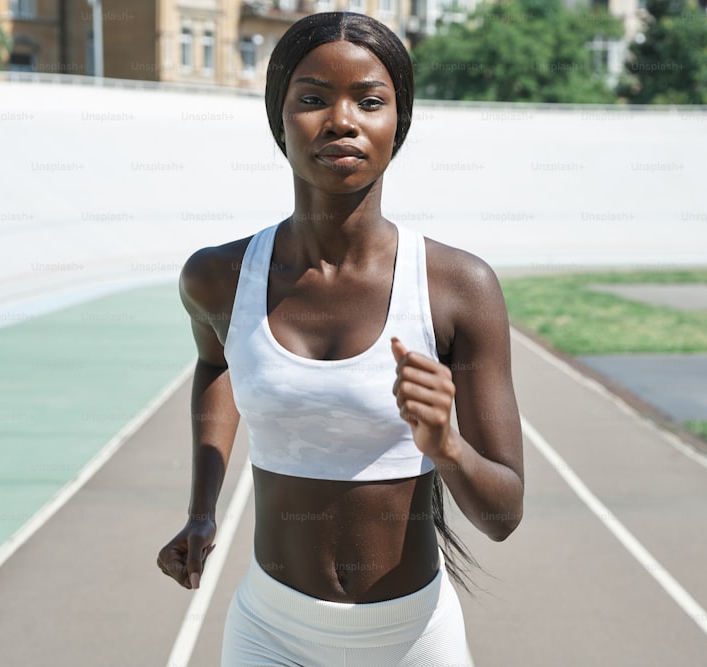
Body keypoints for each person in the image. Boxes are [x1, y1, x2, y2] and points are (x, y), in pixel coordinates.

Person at [157, 11, 524, 666]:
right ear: (279, 121)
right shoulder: (217, 277)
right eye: (313, 99)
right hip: (271, 632)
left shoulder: (458, 287)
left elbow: (502, 513)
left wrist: (446, 444)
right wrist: (202, 509)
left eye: (369, 100)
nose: (341, 120)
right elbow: (215, 363)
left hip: (412, 640)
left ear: (397, 125)